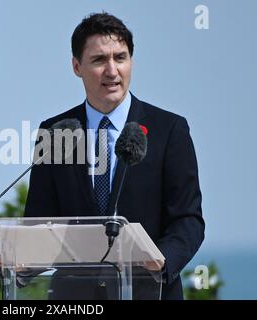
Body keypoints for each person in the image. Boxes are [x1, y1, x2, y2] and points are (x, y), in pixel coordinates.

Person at [24, 12, 205, 300]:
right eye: (98, 60)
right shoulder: (56, 131)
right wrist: (20, 263)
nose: (112, 71)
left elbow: (188, 219)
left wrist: (162, 260)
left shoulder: (169, 129)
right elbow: (39, 221)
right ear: (76, 66)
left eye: (120, 58)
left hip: (150, 291)